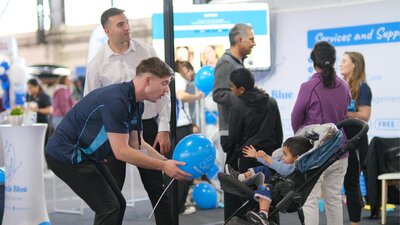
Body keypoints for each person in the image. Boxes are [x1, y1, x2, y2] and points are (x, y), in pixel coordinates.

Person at [45, 57, 190, 225]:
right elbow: (121, 152)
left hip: (87, 156)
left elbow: (137, 144)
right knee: (109, 207)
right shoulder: (116, 100)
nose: (166, 90)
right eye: (164, 83)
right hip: (65, 155)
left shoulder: (137, 103)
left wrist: (167, 162)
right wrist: (164, 166)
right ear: (148, 80)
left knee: (118, 204)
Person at [84, 8, 173, 225]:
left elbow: (164, 89)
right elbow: (91, 104)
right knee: (112, 193)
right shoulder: (97, 63)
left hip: (147, 126)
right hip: (114, 131)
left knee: (158, 188)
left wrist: (163, 126)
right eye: (120, 25)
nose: (127, 28)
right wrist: (97, 144)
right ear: (107, 31)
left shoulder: (146, 50)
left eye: (127, 22)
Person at [291, 41, 351, 225]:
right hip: (340, 151)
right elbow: (344, 112)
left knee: (310, 199)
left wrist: (302, 141)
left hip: (316, 152)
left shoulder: (308, 87)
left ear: (313, 62)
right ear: (333, 61)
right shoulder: (344, 86)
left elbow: (296, 118)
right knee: (333, 198)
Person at [212, 23, 256, 221]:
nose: (254, 43)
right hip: (231, 132)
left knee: (242, 182)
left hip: (242, 132)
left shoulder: (237, 62)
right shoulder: (226, 63)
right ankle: (232, 221)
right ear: (240, 40)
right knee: (233, 183)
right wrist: (246, 99)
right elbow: (219, 94)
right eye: (251, 39)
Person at [225, 136, 313, 225]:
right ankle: (240, 177)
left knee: (264, 187)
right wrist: (258, 156)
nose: (282, 157)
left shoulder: (293, 168)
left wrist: (267, 158)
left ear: (296, 158)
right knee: (263, 169)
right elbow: (275, 162)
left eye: (285, 155)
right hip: (275, 184)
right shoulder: (288, 163)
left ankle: (263, 215)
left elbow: (281, 168)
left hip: (280, 193)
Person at [228, 68, 283, 172]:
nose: (231, 89)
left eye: (232, 86)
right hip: (269, 156)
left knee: (247, 187)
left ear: (241, 89)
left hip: (247, 157)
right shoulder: (271, 102)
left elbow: (234, 138)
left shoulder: (238, 107)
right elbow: (278, 133)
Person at [340, 51, 372, 225]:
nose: (340, 64)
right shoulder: (339, 86)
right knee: (342, 183)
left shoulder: (362, 87)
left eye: (344, 61)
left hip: (357, 142)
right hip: (340, 141)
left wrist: (343, 113)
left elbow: (365, 115)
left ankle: (354, 222)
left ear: (354, 65)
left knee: (351, 184)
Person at [170, 60, 203, 214]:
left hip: (178, 126)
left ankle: (177, 204)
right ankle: (179, 205)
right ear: (183, 68)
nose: (191, 74)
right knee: (185, 165)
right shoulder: (179, 78)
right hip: (181, 127)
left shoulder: (173, 78)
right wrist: (196, 96)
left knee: (177, 165)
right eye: (190, 70)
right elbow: (181, 96)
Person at [26, 78, 53, 144]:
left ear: (36, 86)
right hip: (34, 123)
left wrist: (37, 110)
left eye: (30, 87)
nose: (29, 89)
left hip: (43, 123)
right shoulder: (30, 96)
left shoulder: (44, 96)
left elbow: (50, 110)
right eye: (28, 88)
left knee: (43, 144)